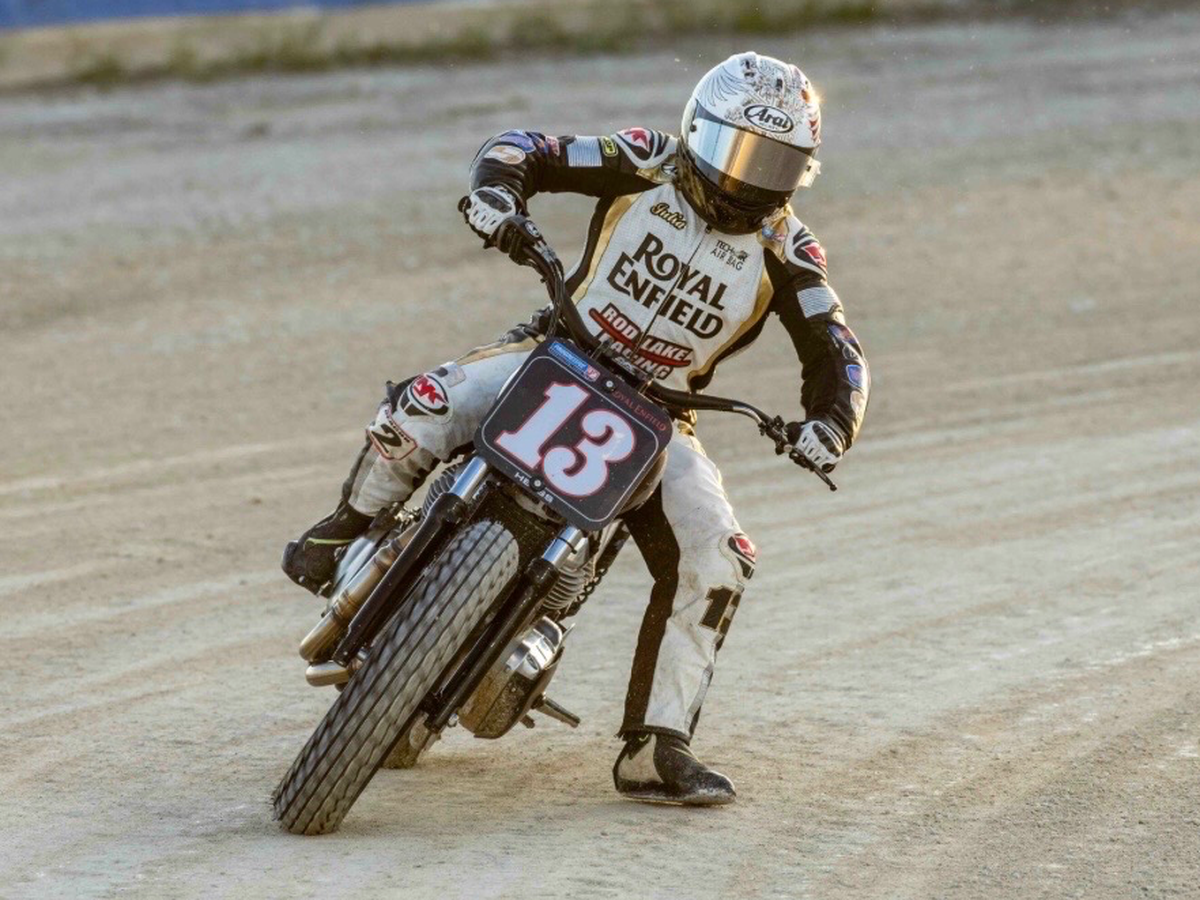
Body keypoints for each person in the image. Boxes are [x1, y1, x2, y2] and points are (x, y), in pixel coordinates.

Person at [283, 51, 870, 805]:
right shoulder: (646, 158)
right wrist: (496, 197)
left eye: (777, 163)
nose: (749, 179)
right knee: (424, 403)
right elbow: (525, 148)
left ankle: (657, 746)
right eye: (740, 152)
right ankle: (345, 529)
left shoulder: (790, 249)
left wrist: (832, 423)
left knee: (722, 557)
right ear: (699, 130)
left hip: (662, 417)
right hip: (553, 350)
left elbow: (838, 349)